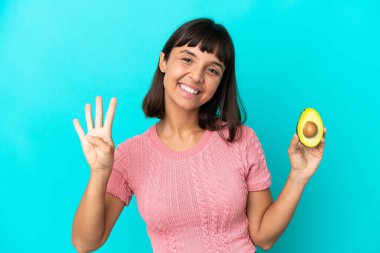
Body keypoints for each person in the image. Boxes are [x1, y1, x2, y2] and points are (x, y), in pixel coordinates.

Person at [71, 18, 327, 253]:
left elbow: (263, 237)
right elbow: (85, 242)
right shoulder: (131, 155)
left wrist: (298, 176)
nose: (196, 77)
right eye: (187, 59)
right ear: (163, 62)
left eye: (212, 70)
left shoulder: (241, 140)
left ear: (220, 83)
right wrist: (99, 173)